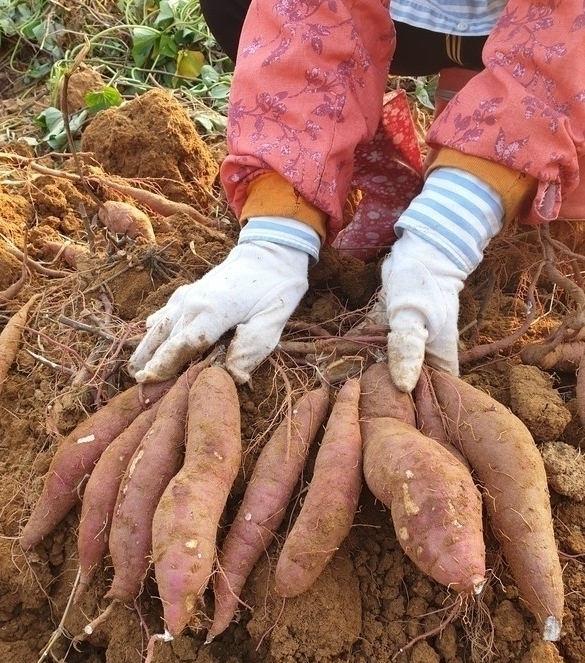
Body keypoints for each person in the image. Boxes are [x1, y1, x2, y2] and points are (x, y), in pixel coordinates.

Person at [128, 0, 585, 394]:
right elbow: (310, 17)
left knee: (510, 183)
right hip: (414, 19)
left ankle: (473, 182)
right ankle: (389, 178)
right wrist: (276, 229)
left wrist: (452, 229)